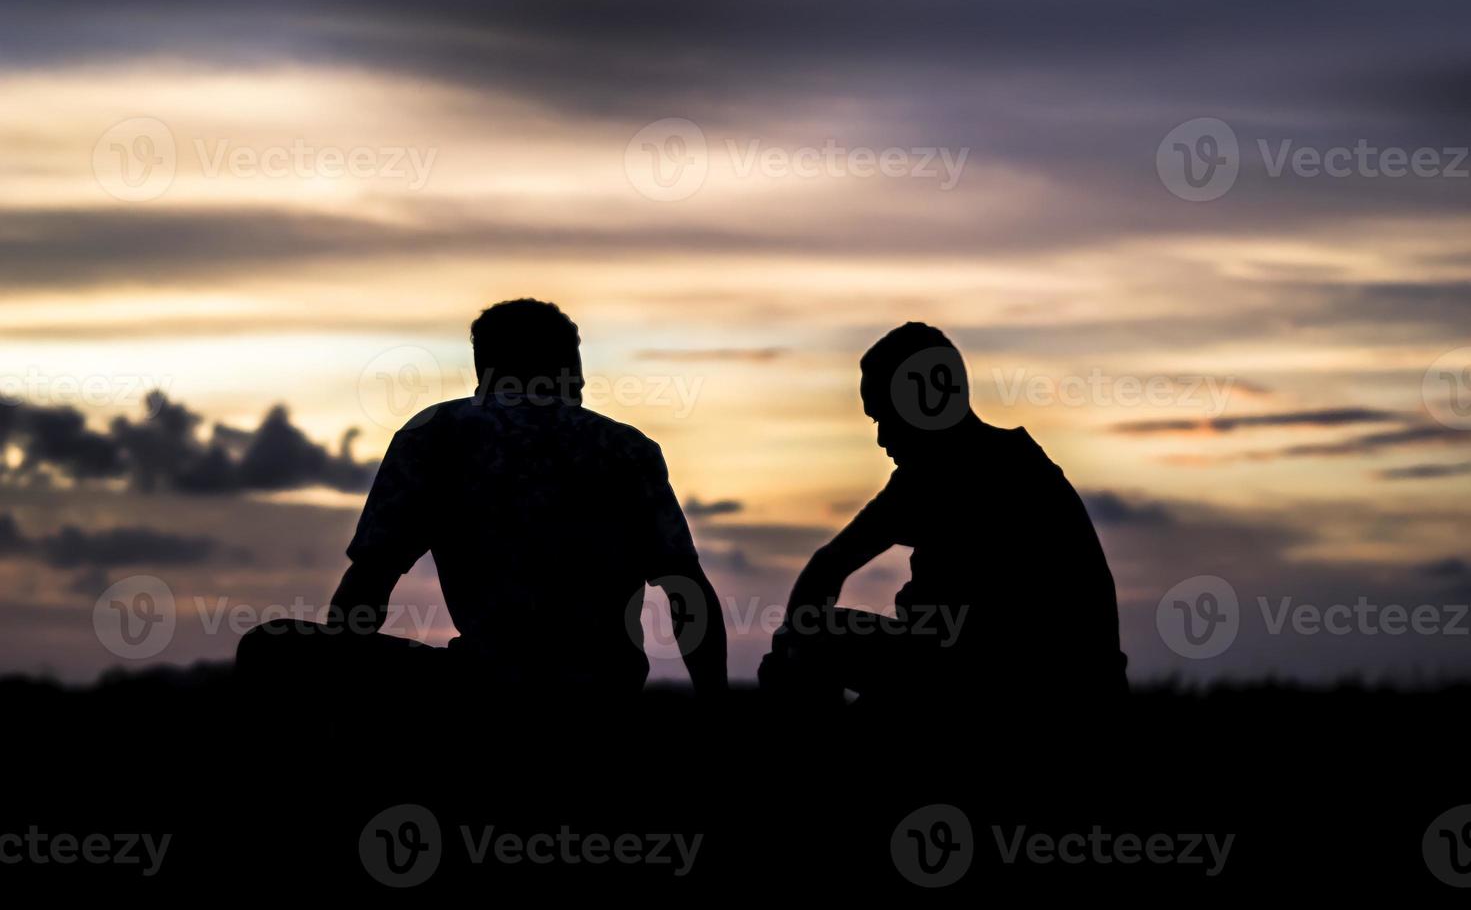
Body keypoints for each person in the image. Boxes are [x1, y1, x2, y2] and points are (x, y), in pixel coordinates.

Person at [237, 299, 727, 700]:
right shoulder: (625, 447)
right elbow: (686, 590)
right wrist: (715, 702)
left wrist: (340, 684)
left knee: (270, 647)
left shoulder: (438, 434)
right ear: (568, 367)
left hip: (484, 685)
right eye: (576, 360)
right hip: (600, 692)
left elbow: (370, 580)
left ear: (483, 369)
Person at [760, 322, 1126, 709]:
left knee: (807, 641)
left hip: (1025, 689)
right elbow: (828, 567)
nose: (882, 439)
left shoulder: (995, 474)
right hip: (982, 675)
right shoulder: (961, 468)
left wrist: (794, 651)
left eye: (885, 417)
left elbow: (973, 653)